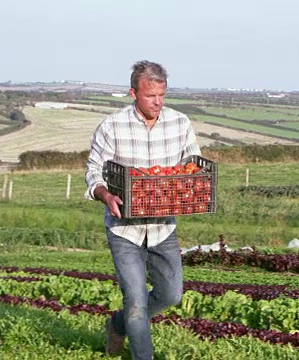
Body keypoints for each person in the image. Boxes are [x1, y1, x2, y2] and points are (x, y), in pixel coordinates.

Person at [85, 60, 201, 359]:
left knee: (171, 294)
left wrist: (193, 179)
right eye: (151, 96)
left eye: (162, 95)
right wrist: (104, 194)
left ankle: (116, 325)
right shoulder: (112, 126)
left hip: (163, 225)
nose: (158, 102)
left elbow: (193, 162)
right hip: (125, 228)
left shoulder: (180, 123)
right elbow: (94, 170)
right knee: (136, 303)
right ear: (133, 93)